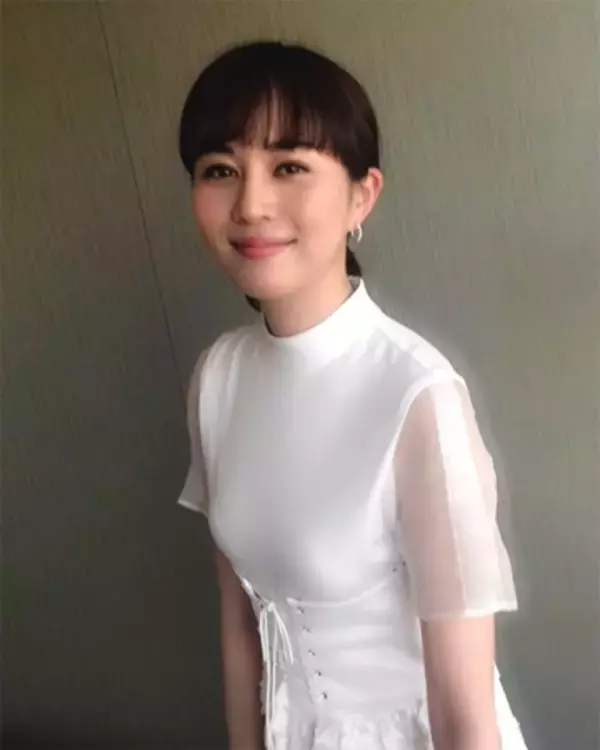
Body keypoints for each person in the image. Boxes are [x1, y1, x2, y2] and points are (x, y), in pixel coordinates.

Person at [176, 40, 528, 750]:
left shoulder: (417, 396)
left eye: (289, 167)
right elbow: (240, 624)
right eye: (220, 170)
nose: (250, 204)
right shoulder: (218, 377)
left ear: (361, 196)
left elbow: (464, 715)